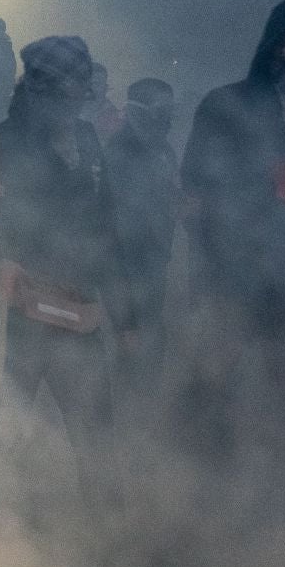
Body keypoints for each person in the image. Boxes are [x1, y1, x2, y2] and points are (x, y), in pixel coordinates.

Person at [179, 0, 285, 436]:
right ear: (269, 50)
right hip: (231, 261)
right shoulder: (226, 104)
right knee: (217, 363)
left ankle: (278, 457)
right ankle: (198, 452)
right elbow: (197, 182)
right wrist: (207, 252)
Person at [0, 36, 130, 505]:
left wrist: (125, 313)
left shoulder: (88, 138)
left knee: (95, 430)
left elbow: (106, 221)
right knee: (3, 424)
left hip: (81, 306)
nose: (79, 96)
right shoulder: (4, 140)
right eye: (68, 86)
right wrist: (5, 259)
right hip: (21, 310)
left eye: (83, 84)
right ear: (42, 88)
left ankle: (109, 537)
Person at [106, 77, 180, 395]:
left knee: (151, 321)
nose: (169, 116)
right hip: (125, 251)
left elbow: (167, 191)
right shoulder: (118, 147)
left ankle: (145, 396)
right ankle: (126, 396)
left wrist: (178, 203)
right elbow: (118, 203)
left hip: (156, 252)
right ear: (141, 109)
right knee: (128, 328)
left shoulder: (163, 148)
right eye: (162, 108)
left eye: (170, 108)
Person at [83, 63, 124, 143]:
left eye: (96, 84)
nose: (89, 89)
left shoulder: (114, 120)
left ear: (105, 88)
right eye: (85, 83)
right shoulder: (66, 112)